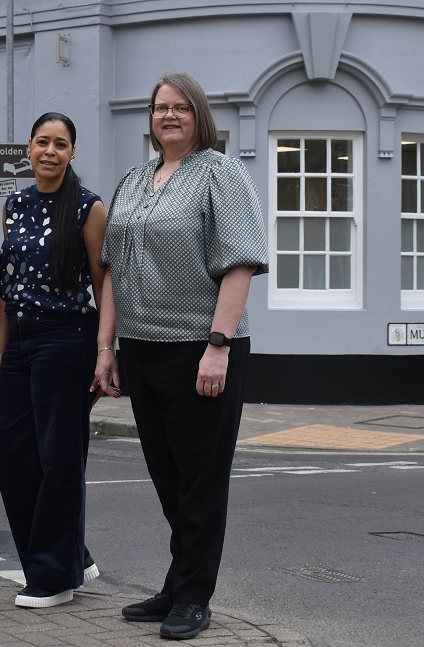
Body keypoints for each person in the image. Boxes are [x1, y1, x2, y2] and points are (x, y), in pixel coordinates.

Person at [95, 72, 269, 640]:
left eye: (179, 107)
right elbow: (113, 272)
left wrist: (217, 348)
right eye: (158, 108)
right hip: (142, 349)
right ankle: (179, 580)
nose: (167, 115)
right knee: (167, 476)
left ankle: (195, 595)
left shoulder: (221, 172)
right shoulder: (134, 179)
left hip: (202, 347)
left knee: (200, 479)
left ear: (198, 114)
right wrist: (107, 347)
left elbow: (239, 263)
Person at [0, 112, 115, 608]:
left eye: (61, 144)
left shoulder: (88, 207)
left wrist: (106, 352)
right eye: (42, 142)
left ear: (72, 152)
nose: (50, 151)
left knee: (57, 458)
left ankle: (54, 576)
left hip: (68, 339)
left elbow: (105, 286)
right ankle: (70, 554)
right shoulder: (15, 204)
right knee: (11, 455)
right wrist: (0, 350)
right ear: (29, 147)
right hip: (19, 338)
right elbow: (7, 282)